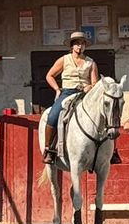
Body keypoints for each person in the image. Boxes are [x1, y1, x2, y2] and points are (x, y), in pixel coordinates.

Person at [40, 31, 99, 165]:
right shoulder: (64, 59)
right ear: (72, 46)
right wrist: (57, 89)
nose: (80, 46)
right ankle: (48, 149)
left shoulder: (91, 63)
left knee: (103, 113)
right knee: (53, 115)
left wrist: (90, 87)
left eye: (82, 44)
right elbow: (49, 75)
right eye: (77, 44)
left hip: (85, 94)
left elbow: (95, 83)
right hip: (67, 92)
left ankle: (110, 152)